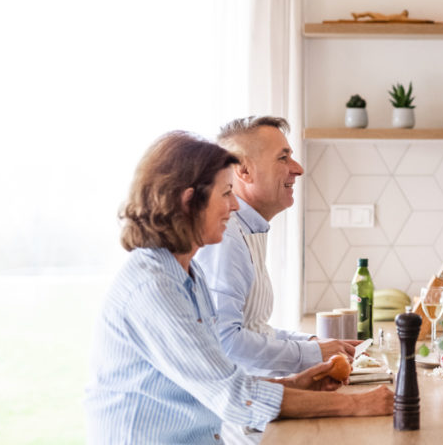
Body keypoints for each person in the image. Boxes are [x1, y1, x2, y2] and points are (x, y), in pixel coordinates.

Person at [85, 131, 392, 444]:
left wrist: (298, 383)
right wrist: (356, 404)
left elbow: (222, 377)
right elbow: (234, 396)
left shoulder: (187, 274)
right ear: (189, 201)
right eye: (226, 194)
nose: (234, 206)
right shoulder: (153, 288)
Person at [196, 116, 358, 379]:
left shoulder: (248, 228)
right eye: (283, 158)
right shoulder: (226, 236)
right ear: (244, 171)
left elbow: (256, 330)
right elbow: (226, 341)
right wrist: (314, 352)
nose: (298, 169)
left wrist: (312, 343)